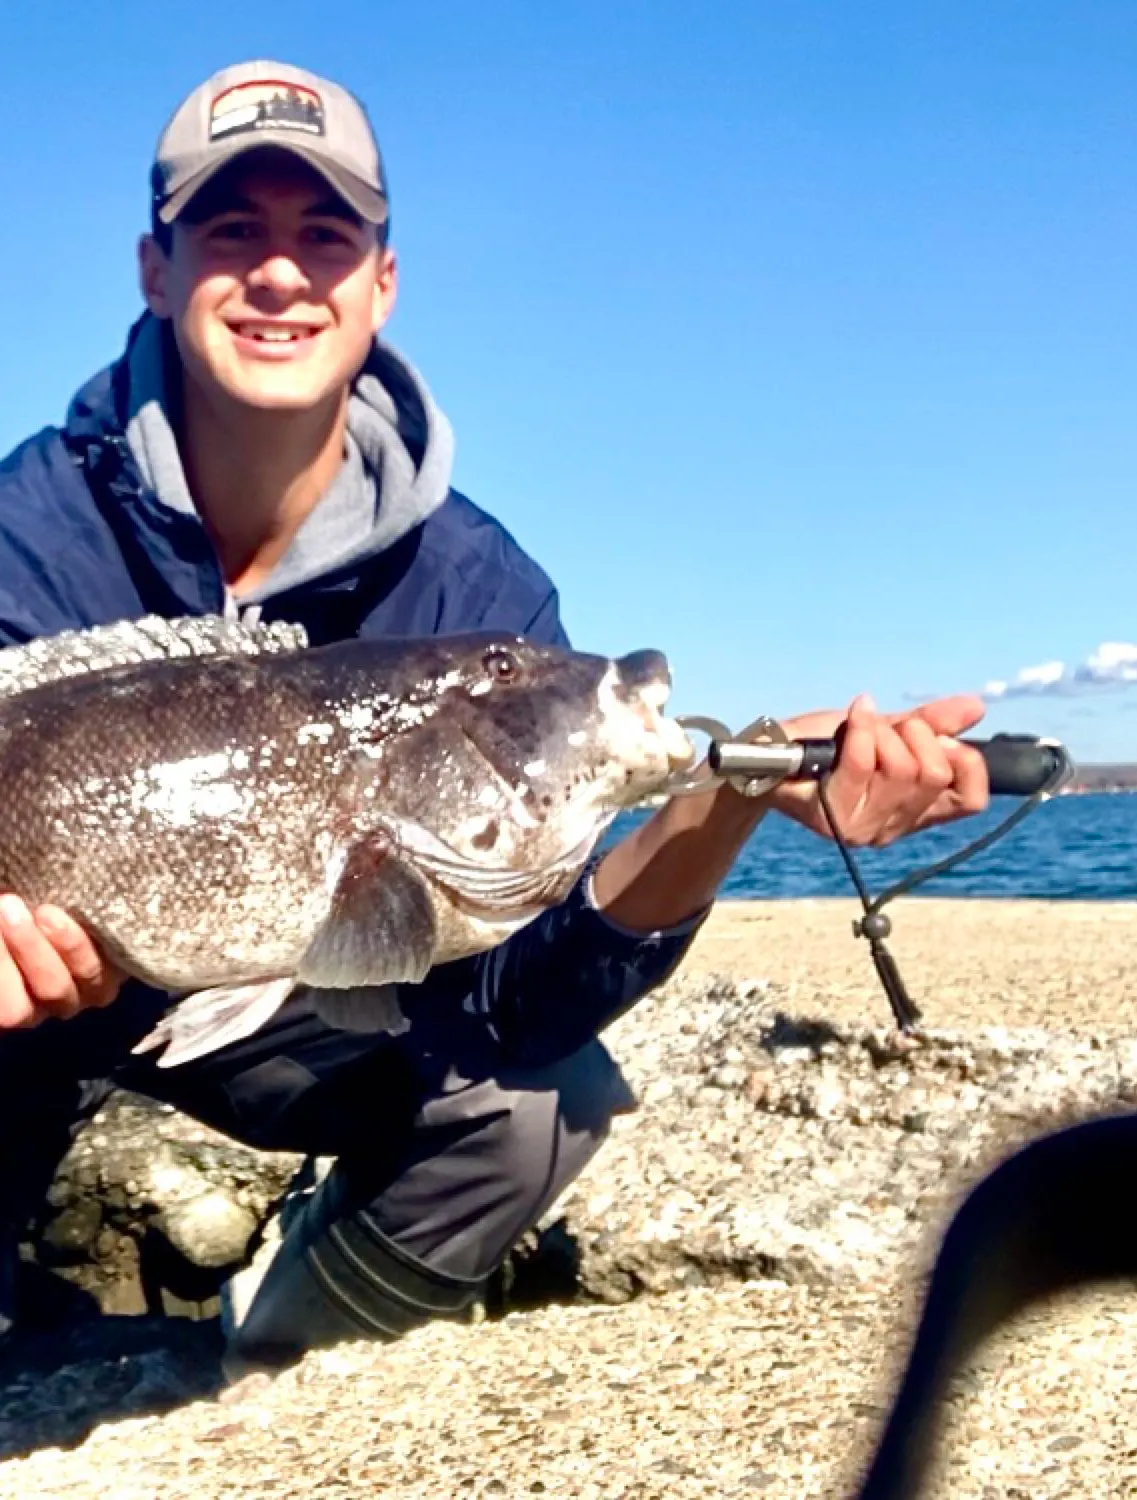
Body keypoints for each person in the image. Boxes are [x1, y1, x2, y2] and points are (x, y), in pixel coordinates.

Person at [0, 59, 990, 1378]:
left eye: (326, 236)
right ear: (156, 269)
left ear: (382, 283)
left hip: (273, 1015)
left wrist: (729, 793)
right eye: (233, 232)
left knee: (537, 1107)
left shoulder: (484, 596)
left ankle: (270, 1372)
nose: (283, 274)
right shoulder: (24, 534)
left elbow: (523, 1003)